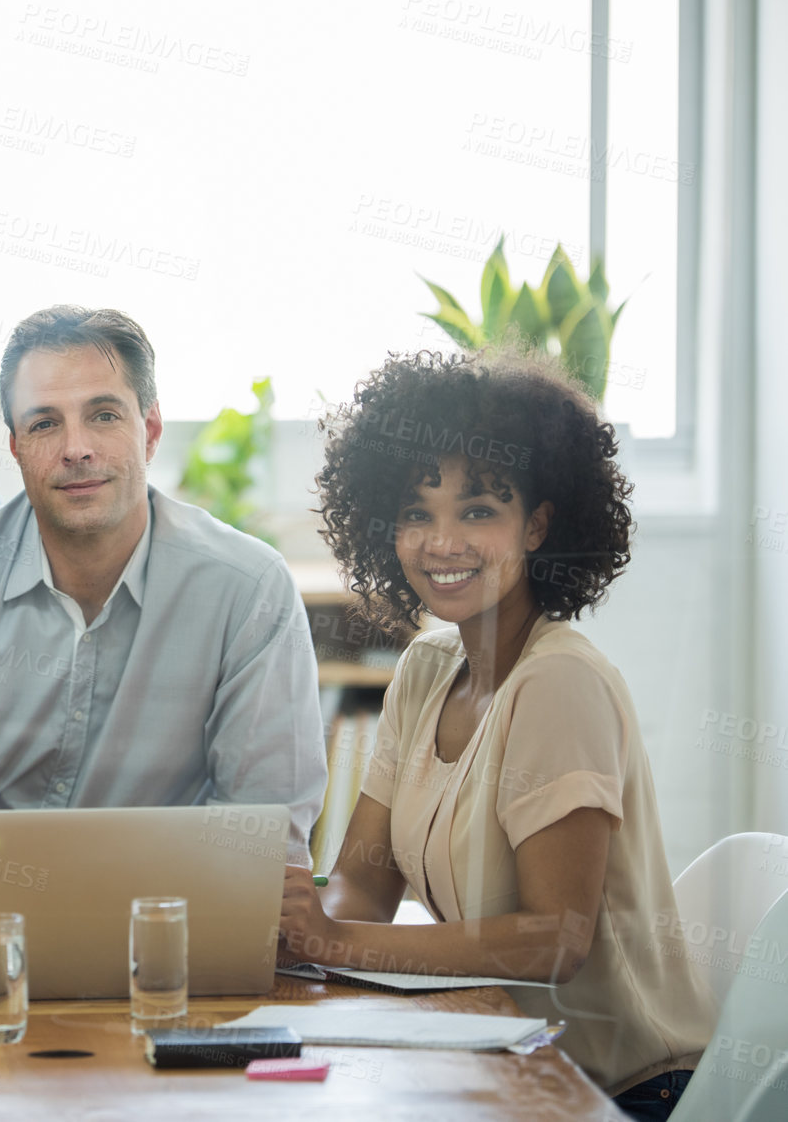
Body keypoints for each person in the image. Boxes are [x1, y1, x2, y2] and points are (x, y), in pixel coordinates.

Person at [280, 351, 716, 1118]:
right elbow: (367, 882)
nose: (440, 542)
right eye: (416, 512)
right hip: (505, 1057)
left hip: (623, 1090)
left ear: (539, 523)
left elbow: (553, 940)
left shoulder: (556, 683)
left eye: (477, 510)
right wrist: (293, 921)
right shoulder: (425, 667)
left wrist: (334, 943)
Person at [0, 305, 329, 926]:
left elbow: (264, 863)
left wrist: (41, 894)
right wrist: (130, 893)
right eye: (44, 424)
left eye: (103, 415)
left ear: (149, 431)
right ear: (15, 448)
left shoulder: (248, 589)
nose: (76, 449)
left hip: (169, 959)